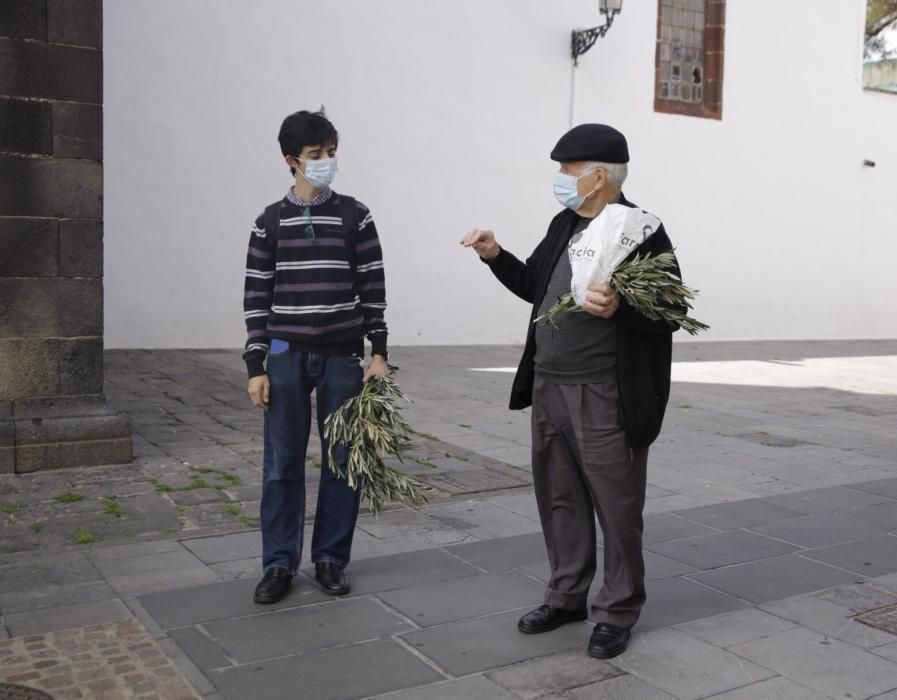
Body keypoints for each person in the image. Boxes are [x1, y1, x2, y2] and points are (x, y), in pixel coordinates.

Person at [460, 124, 680, 659]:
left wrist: (621, 307)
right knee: (559, 499)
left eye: (567, 170)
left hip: (606, 391)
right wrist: (496, 256)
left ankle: (618, 609)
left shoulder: (643, 231)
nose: (560, 179)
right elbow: (537, 285)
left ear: (598, 175)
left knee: (617, 505)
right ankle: (567, 595)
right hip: (550, 385)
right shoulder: (565, 222)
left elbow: (673, 311)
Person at [243, 109, 388, 604]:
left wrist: (379, 352)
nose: (326, 162)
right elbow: (257, 298)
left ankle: (330, 559)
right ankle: (279, 565)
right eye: (315, 155)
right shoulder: (270, 222)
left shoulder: (355, 215)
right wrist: (255, 367)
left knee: (342, 460)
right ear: (292, 161)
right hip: (284, 354)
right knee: (281, 464)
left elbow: (373, 287)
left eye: (331, 153)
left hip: (342, 357)